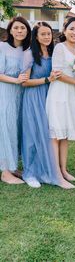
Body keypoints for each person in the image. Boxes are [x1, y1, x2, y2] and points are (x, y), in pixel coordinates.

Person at [21, 22, 69, 188]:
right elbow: (24, 82)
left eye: (49, 33)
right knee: (32, 135)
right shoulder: (29, 54)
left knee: (48, 135)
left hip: (51, 96)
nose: (47, 37)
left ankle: (45, 170)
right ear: (36, 36)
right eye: (43, 34)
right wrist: (47, 79)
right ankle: (29, 173)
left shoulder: (53, 52)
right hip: (34, 98)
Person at [46, 17, 75, 189]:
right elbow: (57, 73)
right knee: (55, 135)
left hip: (71, 96)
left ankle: (63, 169)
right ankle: (56, 174)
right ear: (64, 30)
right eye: (72, 28)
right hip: (58, 94)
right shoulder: (59, 48)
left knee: (65, 135)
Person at [0, 16, 31, 184]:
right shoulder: (2, 47)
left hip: (21, 94)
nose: (20, 31)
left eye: (23, 28)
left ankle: (12, 166)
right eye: (16, 28)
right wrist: (15, 80)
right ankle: (5, 172)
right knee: (7, 128)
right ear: (10, 30)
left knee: (17, 129)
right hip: (6, 92)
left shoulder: (27, 50)